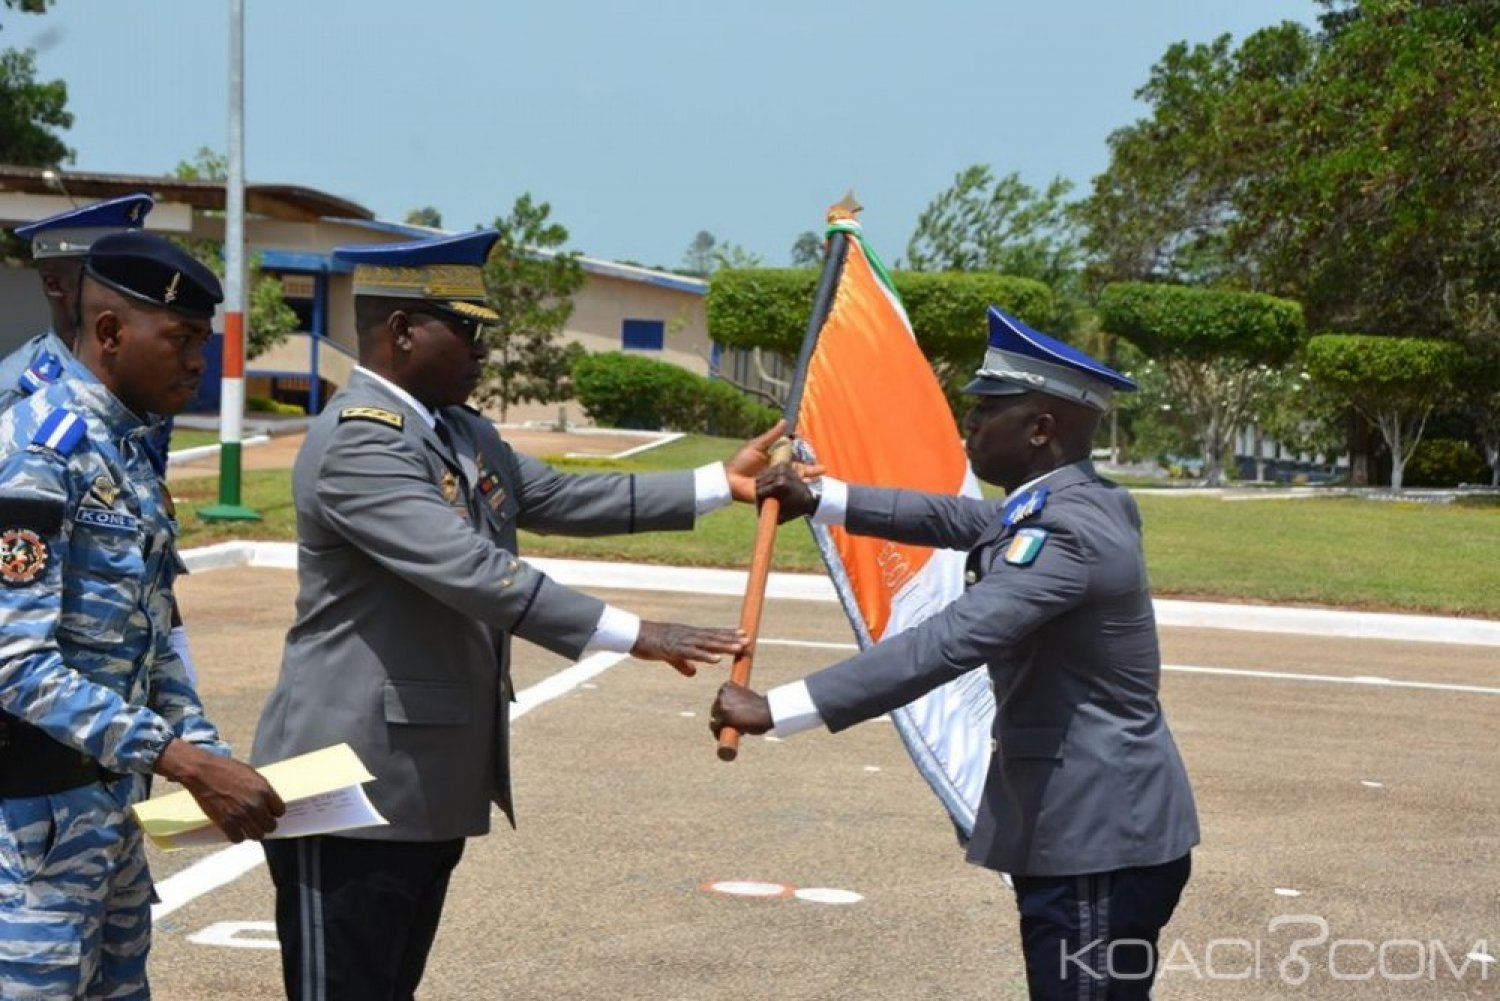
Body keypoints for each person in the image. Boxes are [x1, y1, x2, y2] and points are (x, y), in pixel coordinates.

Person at [251, 229, 788, 1001]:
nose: (481, 352)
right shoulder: (357, 445)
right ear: (403, 332)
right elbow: (471, 571)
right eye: (466, 331)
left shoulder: (457, 430)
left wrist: (713, 483)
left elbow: (561, 496)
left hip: (422, 786)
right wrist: (636, 632)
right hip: (347, 783)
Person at [712, 306, 1200, 1000]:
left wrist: (778, 708)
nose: (969, 422)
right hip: (1094, 828)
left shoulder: (1067, 533)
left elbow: (951, 639)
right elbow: (953, 518)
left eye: (986, 409)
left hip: (1099, 839)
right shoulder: (1067, 503)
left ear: (1040, 429)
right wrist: (818, 497)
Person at [0, 232, 285, 1001]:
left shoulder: (125, 453)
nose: (199, 361)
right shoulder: (37, 450)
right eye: (183, 338)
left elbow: (151, 641)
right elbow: (16, 666)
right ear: (111, 332)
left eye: (203, 340)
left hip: (108, 816)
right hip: (28, 835)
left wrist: (209, 751)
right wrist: (186, 763)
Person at [3, 194, 206, 687]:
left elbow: (128, 533)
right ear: (57, 284)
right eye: (105, 268)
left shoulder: (135, 389)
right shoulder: (22, 400)